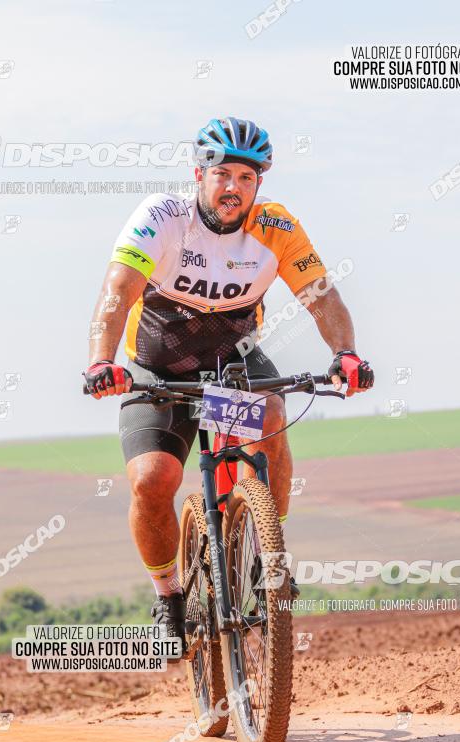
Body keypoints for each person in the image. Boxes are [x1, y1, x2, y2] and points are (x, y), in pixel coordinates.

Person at [84, 116, 374, 653]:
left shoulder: (277, 227)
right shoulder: (162, 218)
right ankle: (169, 595)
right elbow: (116, 295)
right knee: (152, 481)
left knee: (269, 420)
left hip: (230, 368)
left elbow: (322, 296)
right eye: (223, 174)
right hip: (158, 373)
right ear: (199, 174)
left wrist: (346, 354)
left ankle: (268, 555)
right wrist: (102, 361)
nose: (234, 187)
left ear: (259, 184)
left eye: (247, 177)